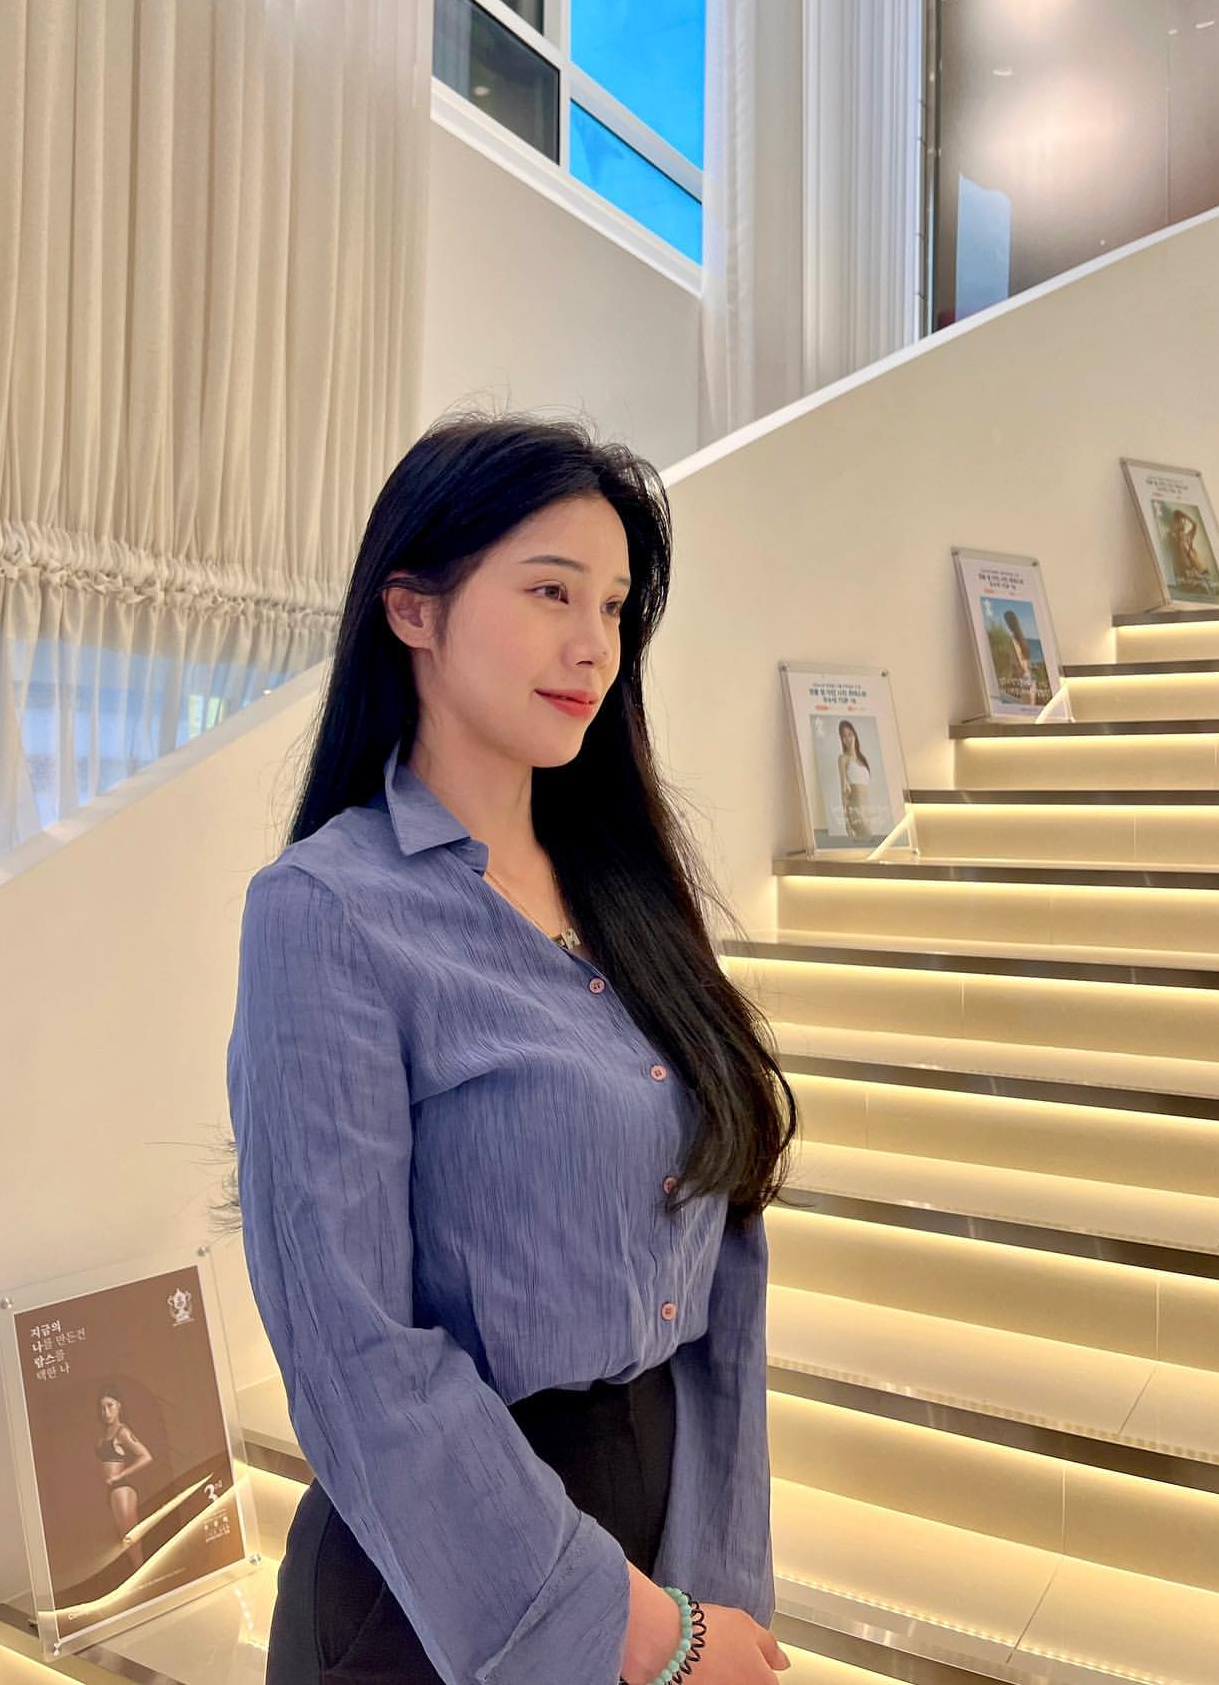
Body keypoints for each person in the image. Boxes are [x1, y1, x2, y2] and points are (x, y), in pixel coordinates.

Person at [224, 409, 799, 1683]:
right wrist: (647, 1634)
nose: (593, 644)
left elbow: (728, 1268)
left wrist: (719, 1590)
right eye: (550, 592)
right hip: (434, 1585)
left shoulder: (632, 899)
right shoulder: (327, 911)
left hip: (666, 1534)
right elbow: (351, 1348)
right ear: (413, 610)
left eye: (616, 606)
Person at [95, 1386, 152, 1572]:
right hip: (113, 1491)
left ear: (119, 1406)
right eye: (102, 1407)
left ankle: (142, 1575)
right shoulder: (105, 1435)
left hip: (122, 1489)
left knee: (130, 1537)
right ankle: (139, 1575)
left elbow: (146, 1456)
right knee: (124, 1539)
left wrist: (121, 1474)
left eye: (110, 1406)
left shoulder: (122, 1432)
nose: (106, 1412)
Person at [836, 719, 873, 838]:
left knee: (869, 844)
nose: (848, 738)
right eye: (844, 736)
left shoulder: (863, 760)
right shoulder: (843, 759)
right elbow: (843, 792)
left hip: (867, 811)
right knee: (868, 837)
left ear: (855, 735)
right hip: (855, 810)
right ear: (842, 740)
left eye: (850, 734)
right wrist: (846, 822)